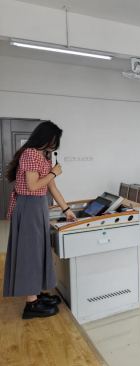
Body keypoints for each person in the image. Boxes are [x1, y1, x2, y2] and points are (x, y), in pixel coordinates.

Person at [4, 121, 74, 319]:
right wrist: (53, 172)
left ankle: (35, 292)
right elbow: (33, 186)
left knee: (38, 250)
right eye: (53, 140)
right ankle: (31, 304)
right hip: (29, 206)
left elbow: (52, 188)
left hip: (38, 206)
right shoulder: (30, 154)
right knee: (30, 252)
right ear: (44, 137)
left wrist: (66, 209)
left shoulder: (43, 156)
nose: (54, 144)